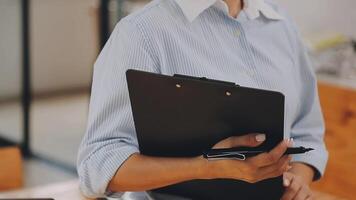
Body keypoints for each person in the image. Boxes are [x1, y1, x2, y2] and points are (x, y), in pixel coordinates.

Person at [77, 0, 328, 199]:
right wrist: (207, 167)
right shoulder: (141, 33)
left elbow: (308, 132)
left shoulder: (281, 26)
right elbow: (98, 165)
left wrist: (297, 181)